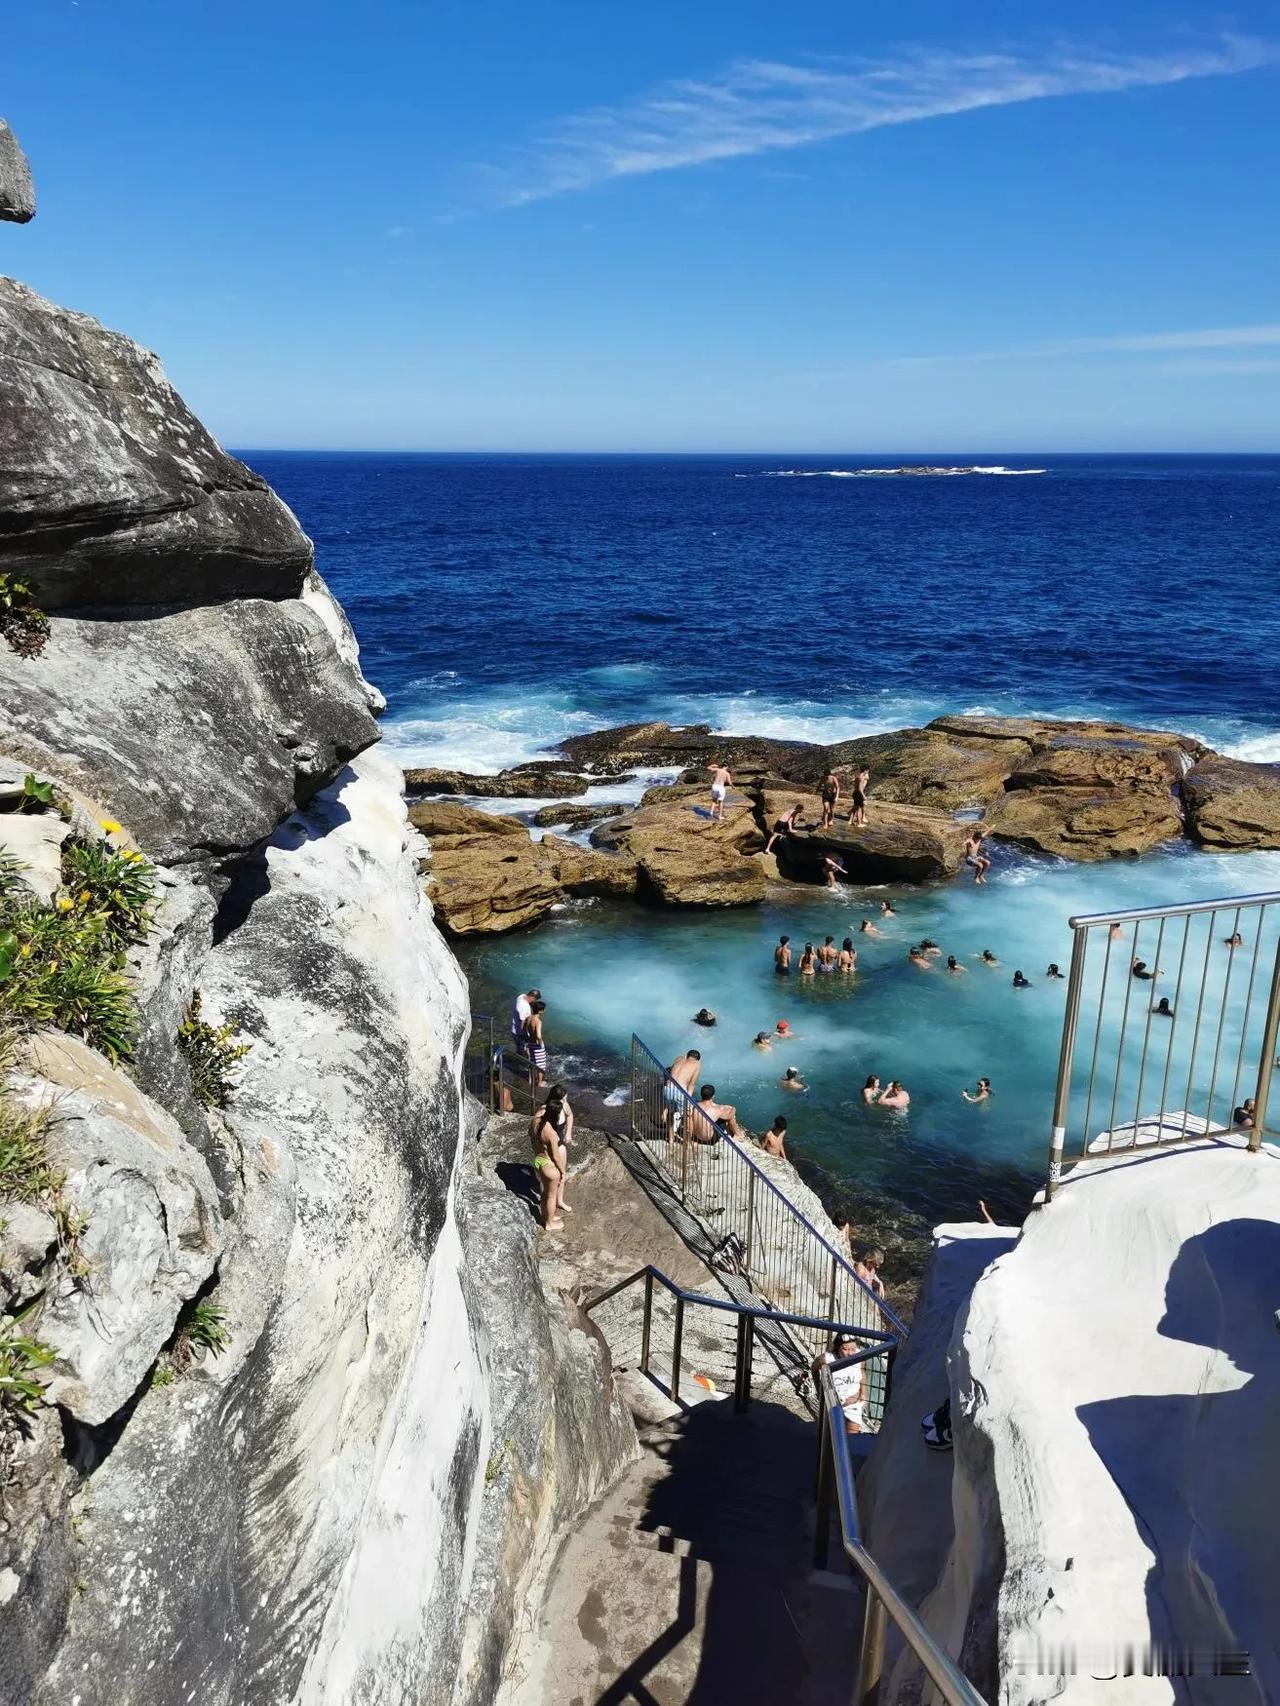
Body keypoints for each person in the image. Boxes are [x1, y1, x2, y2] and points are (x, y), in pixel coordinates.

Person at [530, 1084, 574, 1213]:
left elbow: (570, 1115)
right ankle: (549, 1211)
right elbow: (532, 1132)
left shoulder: (564, 1105)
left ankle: (559, 1201)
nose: (565, 1102)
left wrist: (568, 1132)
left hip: (559, 1144)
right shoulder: (543, 1112)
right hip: (546, 1149)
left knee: (561, 1176)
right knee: (549, 1181)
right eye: (563, 1099)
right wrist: (538, 1148)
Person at [814, 1331, 867, 1433]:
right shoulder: (826, 1359)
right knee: (831, 1434)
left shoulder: (859, 1356)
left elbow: (862, 1373)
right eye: (845, 1349)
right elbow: (814, 1368)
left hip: (853, 1404)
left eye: (853, 1349)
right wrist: (818, 1389)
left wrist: (863, 1394)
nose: (850, 1353)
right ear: (837, 1348)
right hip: (832, 1404)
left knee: (852, 1437)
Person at [664, 1048, 701, 1139]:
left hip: (667, 1089)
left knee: (670, 1113)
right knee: (688, 1116)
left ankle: (671, 1140)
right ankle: (687, 1142)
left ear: (687, 1056)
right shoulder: (697, 1064)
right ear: (697, 1059)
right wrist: (688, 1101)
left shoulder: (678, 1059)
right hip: (679, 1090)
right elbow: (691, 1085)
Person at [522, 999, 548, 1084]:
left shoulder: (528, 1018)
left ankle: (530, 1080)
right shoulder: (538, 1022)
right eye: (544, 1009)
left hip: (530, 1044)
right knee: (541, 1065)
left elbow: (523, 1030)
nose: (544, 1011)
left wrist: (527, 1040)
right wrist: (540, 1044)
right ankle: (539, 1083)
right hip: (537, 1045)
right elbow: (538, 1036)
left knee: (532, 1062)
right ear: (540, 1011)